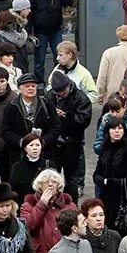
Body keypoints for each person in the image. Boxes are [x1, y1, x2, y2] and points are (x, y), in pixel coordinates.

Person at [46, 69, 92, 198]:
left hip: (72, 141)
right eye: (58, 92)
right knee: (53, 174)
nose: (61, 94)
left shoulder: (80, 98)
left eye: (63, 92)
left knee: (72, 176)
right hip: (55, 141)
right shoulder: (50, 95)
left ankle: (72, 197)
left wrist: (67, 116)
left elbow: (84, 120)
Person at [28, 0, 74, 83]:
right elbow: (29, 11)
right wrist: (29, 29)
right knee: (40, 60)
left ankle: (57, 81)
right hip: (40, 30)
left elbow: (69, 2)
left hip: (55, 29)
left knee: (60, 57)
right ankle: (39, 83)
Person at [93, 116, 127, 232]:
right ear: (108, 131)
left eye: (120, 128)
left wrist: (109, 182)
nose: (117, 131)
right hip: (104, 196)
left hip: (122, 197)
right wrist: (102, 181)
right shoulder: (104, 148)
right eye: (113, 128)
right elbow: (97, 173)